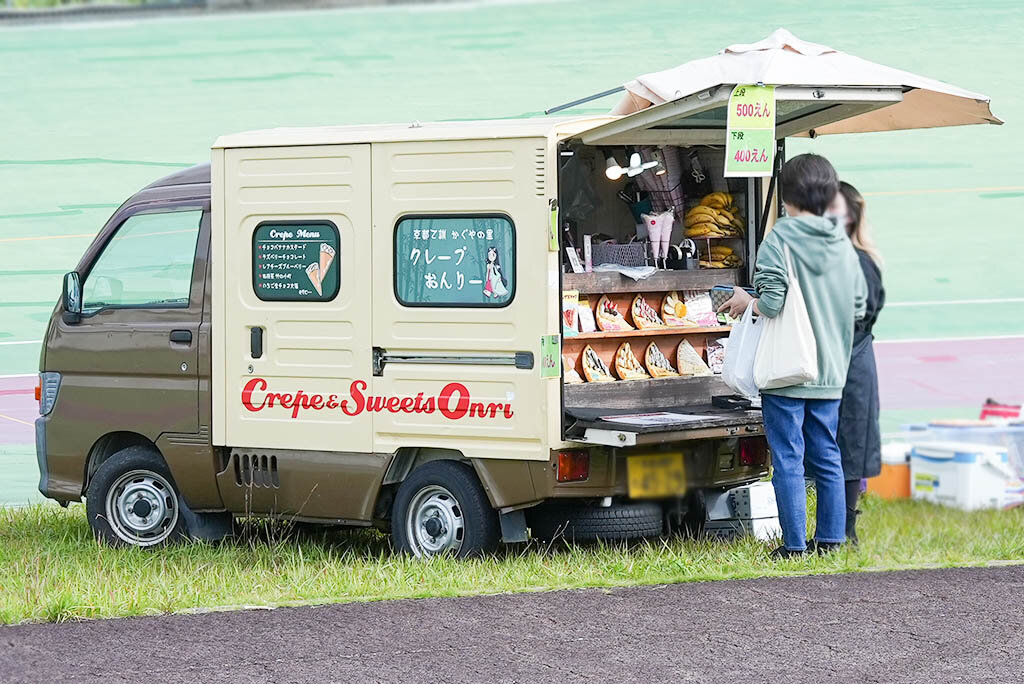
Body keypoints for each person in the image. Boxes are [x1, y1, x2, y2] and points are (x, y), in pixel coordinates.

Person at [720, 154, 866, 557]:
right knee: (827, 454)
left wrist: (744, 300)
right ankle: (832, 539)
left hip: (787, 369)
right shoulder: (841, 241)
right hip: (830, 370)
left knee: (788, 456)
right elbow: (856, 306)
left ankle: (794, 545)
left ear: (786, 198)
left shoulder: (780, 239)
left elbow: (771, 303)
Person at [827, 181, 885, 544]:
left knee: (849, 443)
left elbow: (861, 313)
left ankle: (845, 530)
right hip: (837, 358)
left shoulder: (858, 261)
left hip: (852, 358)